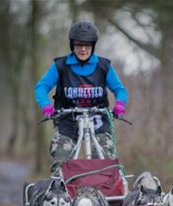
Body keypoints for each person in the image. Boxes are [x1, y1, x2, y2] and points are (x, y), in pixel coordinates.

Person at [34, 20, 127, 175]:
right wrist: (46, 106)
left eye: (87, 45)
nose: (83, 49)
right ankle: (61, 193)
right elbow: (41, 87)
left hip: (98, 120)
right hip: (68, 120)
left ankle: (106, 195)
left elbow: (119, 89)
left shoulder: (103, 66)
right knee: (60, 161)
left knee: (106, 161)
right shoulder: (61, 66)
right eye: (78, 45)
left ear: (93, 45)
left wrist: (120, 105)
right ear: (72, 45)